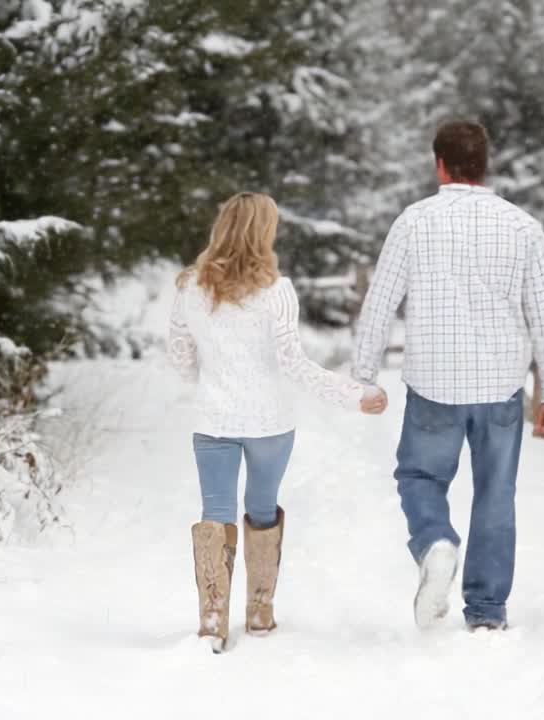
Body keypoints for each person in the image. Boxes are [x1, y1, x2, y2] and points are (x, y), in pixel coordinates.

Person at [352, 120, 544, 631]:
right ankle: (487, 611)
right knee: (496, 493)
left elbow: (380, 302)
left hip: (434, 382)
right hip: (499, 386)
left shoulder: (413, 222)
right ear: (484, 164)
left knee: (419, 477)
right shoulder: (523, 227)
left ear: (440, 165)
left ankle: (434, 542)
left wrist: (365, 374)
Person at [167, 191, 387, 652]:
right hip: (270, 421)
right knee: (262, 509)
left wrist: (205, 382)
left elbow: (181, 355)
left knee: (216, 514)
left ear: (222, 227)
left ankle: (212, 619)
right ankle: (260, 610)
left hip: (214, 421)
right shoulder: (276, 291)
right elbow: (293, 364)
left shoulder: (190, 286)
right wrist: (355, 396)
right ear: (263, 232)